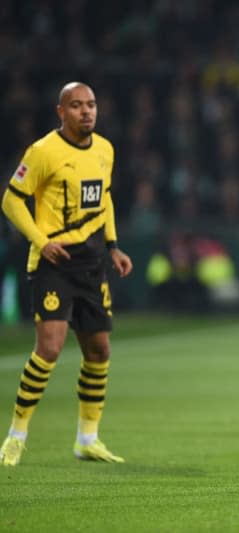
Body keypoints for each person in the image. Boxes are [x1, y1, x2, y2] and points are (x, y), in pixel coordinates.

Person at [0, 82, 133, 466]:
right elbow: (11, 199)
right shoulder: (43, 152)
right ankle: (16, 435)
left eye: (91, 105)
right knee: (50, 348)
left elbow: (104, 197)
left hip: (92, 266)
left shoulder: (105, 149)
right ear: (61, 112)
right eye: (76, 106)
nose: (86, 112)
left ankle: (87, 439)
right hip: (53, 265)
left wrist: (113, 246)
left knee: (99, 351)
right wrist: (41, 241)